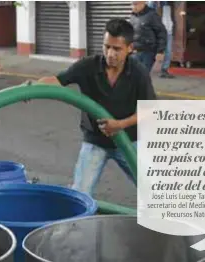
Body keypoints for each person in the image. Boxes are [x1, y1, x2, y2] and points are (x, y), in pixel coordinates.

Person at [26, 18, 157, 196]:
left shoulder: (138, 72)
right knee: (80, 194)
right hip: (96, 141)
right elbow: (56, 81)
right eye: (107, 46)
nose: (110, 53)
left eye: (117, 49)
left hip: (128, 140)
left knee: (152, 190)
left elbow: (149, 110)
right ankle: (76, 221)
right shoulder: (88, 66)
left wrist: (119, 125)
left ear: (130, 48)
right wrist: (31, 87)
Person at [130, 1, 167, 72]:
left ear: (143, 3)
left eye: (136, 4)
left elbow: (161, 33)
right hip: (134, 52)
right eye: (132, 4)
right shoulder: (133, 16)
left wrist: (160, 51)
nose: (133, 7)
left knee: (143, 76)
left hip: (148, 53)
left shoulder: (152, 15)